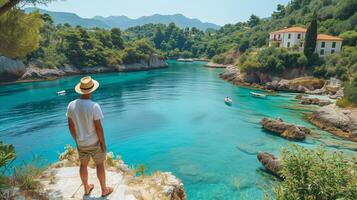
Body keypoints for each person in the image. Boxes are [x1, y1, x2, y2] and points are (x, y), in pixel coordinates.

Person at [66, 76, 113, 197]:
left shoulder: (71, 105)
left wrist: (76, 140)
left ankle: (86, 188)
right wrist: (103, 143)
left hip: (81, 142)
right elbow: (98, 128)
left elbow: (70, 126)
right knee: (99, 164)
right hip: (94, 142)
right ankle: (104, 189)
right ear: (91, 90)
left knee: (83, 164)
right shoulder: (94, 106)